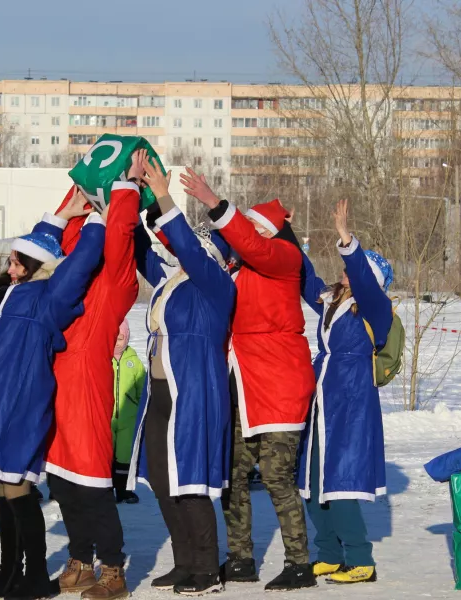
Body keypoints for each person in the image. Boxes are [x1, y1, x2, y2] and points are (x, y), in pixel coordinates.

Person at [0, 194, 105, 600]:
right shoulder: (13, 292)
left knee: (16, 488)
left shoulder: (48, 296)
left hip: (19, 402)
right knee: (1, 490)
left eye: (17, 263)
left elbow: (80, 262)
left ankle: (34, 575)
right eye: (10, 260)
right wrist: (60, 216)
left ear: (35, 268)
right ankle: (8, 573)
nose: (9, 267)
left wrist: (98, 222)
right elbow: (41, 247)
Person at [182, 169, 316, 591]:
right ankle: (240, 557)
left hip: (278, 385)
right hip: (242, 386)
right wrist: (156, 207)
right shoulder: (239, 271)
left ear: (273, 233)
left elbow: (251, 243)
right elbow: (209, 251)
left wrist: (215, 202)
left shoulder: (285, 261)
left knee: (276, 476)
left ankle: (300, 563)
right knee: (234, 474)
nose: (246, 237)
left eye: (256, 228)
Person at [125, 161, 236, 596]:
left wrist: (167, 197)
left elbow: (187, 247)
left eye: (201, 249)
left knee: (191, 483)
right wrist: (132, 198)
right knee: (163, 481)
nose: (191, 253)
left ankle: (206, 569)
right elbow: (140, 252)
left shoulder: (217, 286)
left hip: (193, 391)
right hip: (159, 391)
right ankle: (184, 560)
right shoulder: (173, 284)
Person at [41, 151, 145, 600]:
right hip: (57, 381)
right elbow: (55, 249)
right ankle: (80, 560)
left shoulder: (116, 281)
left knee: (93, 483)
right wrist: (78, 195)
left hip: (86, 386)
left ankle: (114, 569)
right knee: (62, 480)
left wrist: (128, 186)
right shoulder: (77, 274)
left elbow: (120, 232)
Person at [297, 199, 394, 585]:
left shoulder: (377, 309)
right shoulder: (333, 302)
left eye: (353, 269)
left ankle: (360, 559)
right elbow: (304, 280)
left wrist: (346, 238)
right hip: (322, 394)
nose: (344, 272)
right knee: (312, 478)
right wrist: (283, 237)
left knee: (341, 480)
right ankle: (329, 553)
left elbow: (366, 284)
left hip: (352, 400)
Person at [111, 319, 145, 505]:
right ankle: (106, 489)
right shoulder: (102, 357)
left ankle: (123, 490)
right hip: (106, 417)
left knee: (124, 456)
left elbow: (142, 387)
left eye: (122, 337)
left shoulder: (133, 360)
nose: (118, 341)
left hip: (128, 418)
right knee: (106, 454)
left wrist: (141, 408)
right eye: (115, 337)